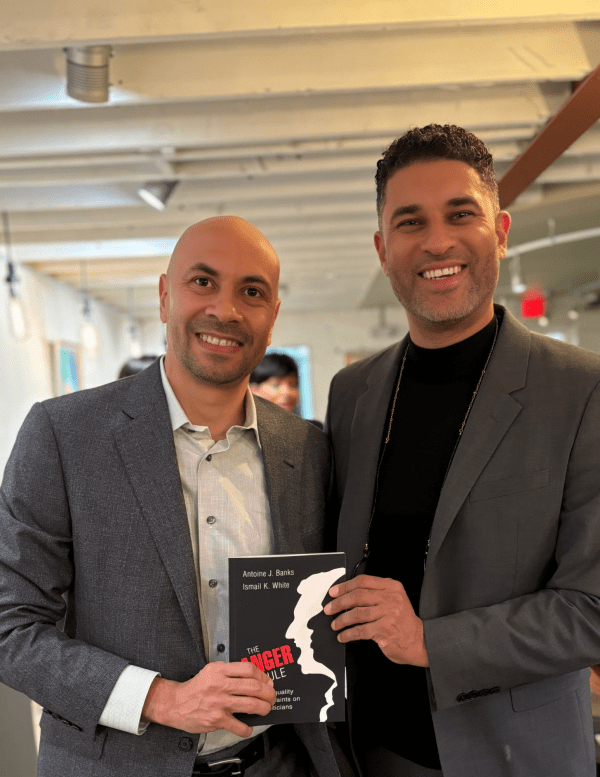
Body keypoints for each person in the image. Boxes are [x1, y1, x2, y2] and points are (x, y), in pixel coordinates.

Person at [0, 216, 344, 777]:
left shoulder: (308, 450)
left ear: (272, 316)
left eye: (251, 291)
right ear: (165, 297)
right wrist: (161, 698)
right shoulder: (65, 436)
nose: (225, 310)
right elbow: (10, 625)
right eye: (202, 282)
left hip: (277, 763)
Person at [324, 124, 600, 777]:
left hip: (514, 758)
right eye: (410, 221)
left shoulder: (581, 389)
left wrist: (429, 640)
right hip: (369, 752)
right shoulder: (353, 392)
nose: (438, 241)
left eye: (461, 214)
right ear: (382, 247)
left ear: (500, 230)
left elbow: (591, 609)